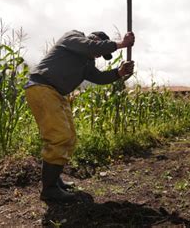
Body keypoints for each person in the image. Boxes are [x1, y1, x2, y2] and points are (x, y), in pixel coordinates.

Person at [24, 30, 135, 203]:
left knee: (69, 138)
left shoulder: (86, 63)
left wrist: (119, 73)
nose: (98, 56)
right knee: (59, 136)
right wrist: (123, 44)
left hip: (57, 94)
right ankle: (49, 190)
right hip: (42, 87)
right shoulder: (74, 37)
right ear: (95, 39)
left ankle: (55, 181)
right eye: (99, 52)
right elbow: (90, 47)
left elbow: (98, 77)